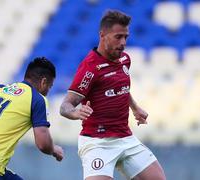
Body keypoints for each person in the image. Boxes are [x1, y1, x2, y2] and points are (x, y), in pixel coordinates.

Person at [60, 10, 166, 180]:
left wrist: (135, 107)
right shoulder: (90, 68)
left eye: (126, 37)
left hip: (125, 137)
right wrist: (75, 112)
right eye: (118, 37)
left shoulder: (125, 59)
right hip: (97, 142)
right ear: (103, 35)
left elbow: (119, 85)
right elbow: (65, 106)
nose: (123, 42)